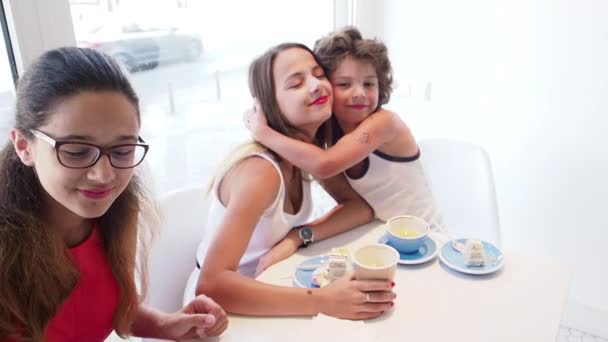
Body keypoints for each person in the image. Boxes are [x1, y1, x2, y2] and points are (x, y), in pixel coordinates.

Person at [0, 47, 227, 342]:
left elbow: (111, 308)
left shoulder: (117, 210)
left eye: (122, 150)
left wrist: (167, 324)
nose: (104, 175)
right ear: (23, 146)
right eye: (78, 151)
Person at [183, 43, 396, 320]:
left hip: (268, 287)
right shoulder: (261, 172)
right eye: (296, 83)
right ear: (270, 104)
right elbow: (211, 286)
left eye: (319, 75)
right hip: (221, 310)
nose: (316, 86)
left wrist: (299, 236)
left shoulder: (302, 154)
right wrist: (322, 300)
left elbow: (359, 208)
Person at [245, 26, 444, 231]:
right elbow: (350, 200)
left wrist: (263, 133)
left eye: (369, 84)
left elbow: (324, 166)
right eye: (344, 84)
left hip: (426, 238)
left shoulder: (384, 123)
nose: (359, 93)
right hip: (381, 234)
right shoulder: (330, 135)